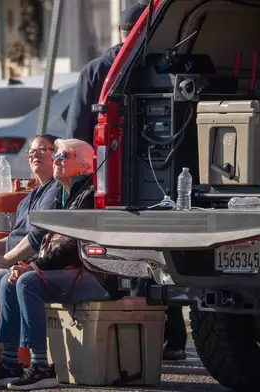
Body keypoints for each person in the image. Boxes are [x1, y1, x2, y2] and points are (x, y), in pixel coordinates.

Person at [66, 3, 188, 360]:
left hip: (115, 181)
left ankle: (135, 341)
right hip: (165, 176)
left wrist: (80, 183)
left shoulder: (100, 70)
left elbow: (77, 137)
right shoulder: (160, 64)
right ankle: (171, 339)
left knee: (124, 260)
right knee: (165, 255)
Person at [0, 139, 122, 390]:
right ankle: (9, 364)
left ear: (85, 167)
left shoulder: (88, 196)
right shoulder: (69, 193)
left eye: (64, 155)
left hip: (98, 276)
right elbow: (52, 245)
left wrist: (33, 267)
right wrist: (25, 265)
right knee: (11, 281)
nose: (56, 160)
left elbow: (71, 248)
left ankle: (41, 366)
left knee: (27, 281)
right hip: (72, 272)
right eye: (57, 156)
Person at [0, 134, 63, 370]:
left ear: (56, 154)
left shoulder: (55, 190)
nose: (35, 155)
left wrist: (4, 260)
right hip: (17, 260)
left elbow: (37, 238)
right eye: (31, 152)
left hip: (38, 264)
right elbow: (14, 239)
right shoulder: (29, 198)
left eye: (43, 149)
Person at [65, 3, 147, 145]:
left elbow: (76, 128)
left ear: (119, 29)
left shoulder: (93, 70)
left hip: (104, 161)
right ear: (148, 29)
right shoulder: (156, 68)